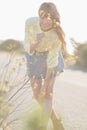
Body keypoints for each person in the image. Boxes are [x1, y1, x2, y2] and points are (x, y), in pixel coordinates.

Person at [24, 2, 66, 130]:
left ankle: (42, 126)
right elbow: (26, 45)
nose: (47, 21)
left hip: (50, 58)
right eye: (44, 17)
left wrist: (45, 85)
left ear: (55, 19)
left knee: (47, 93)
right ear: (39, 16)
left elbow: (52, 60)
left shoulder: (56, 34)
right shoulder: (30, 23)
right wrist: (36, 43)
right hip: (34, 55)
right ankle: (55, 120)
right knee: (37, 94)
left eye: (51, 18)